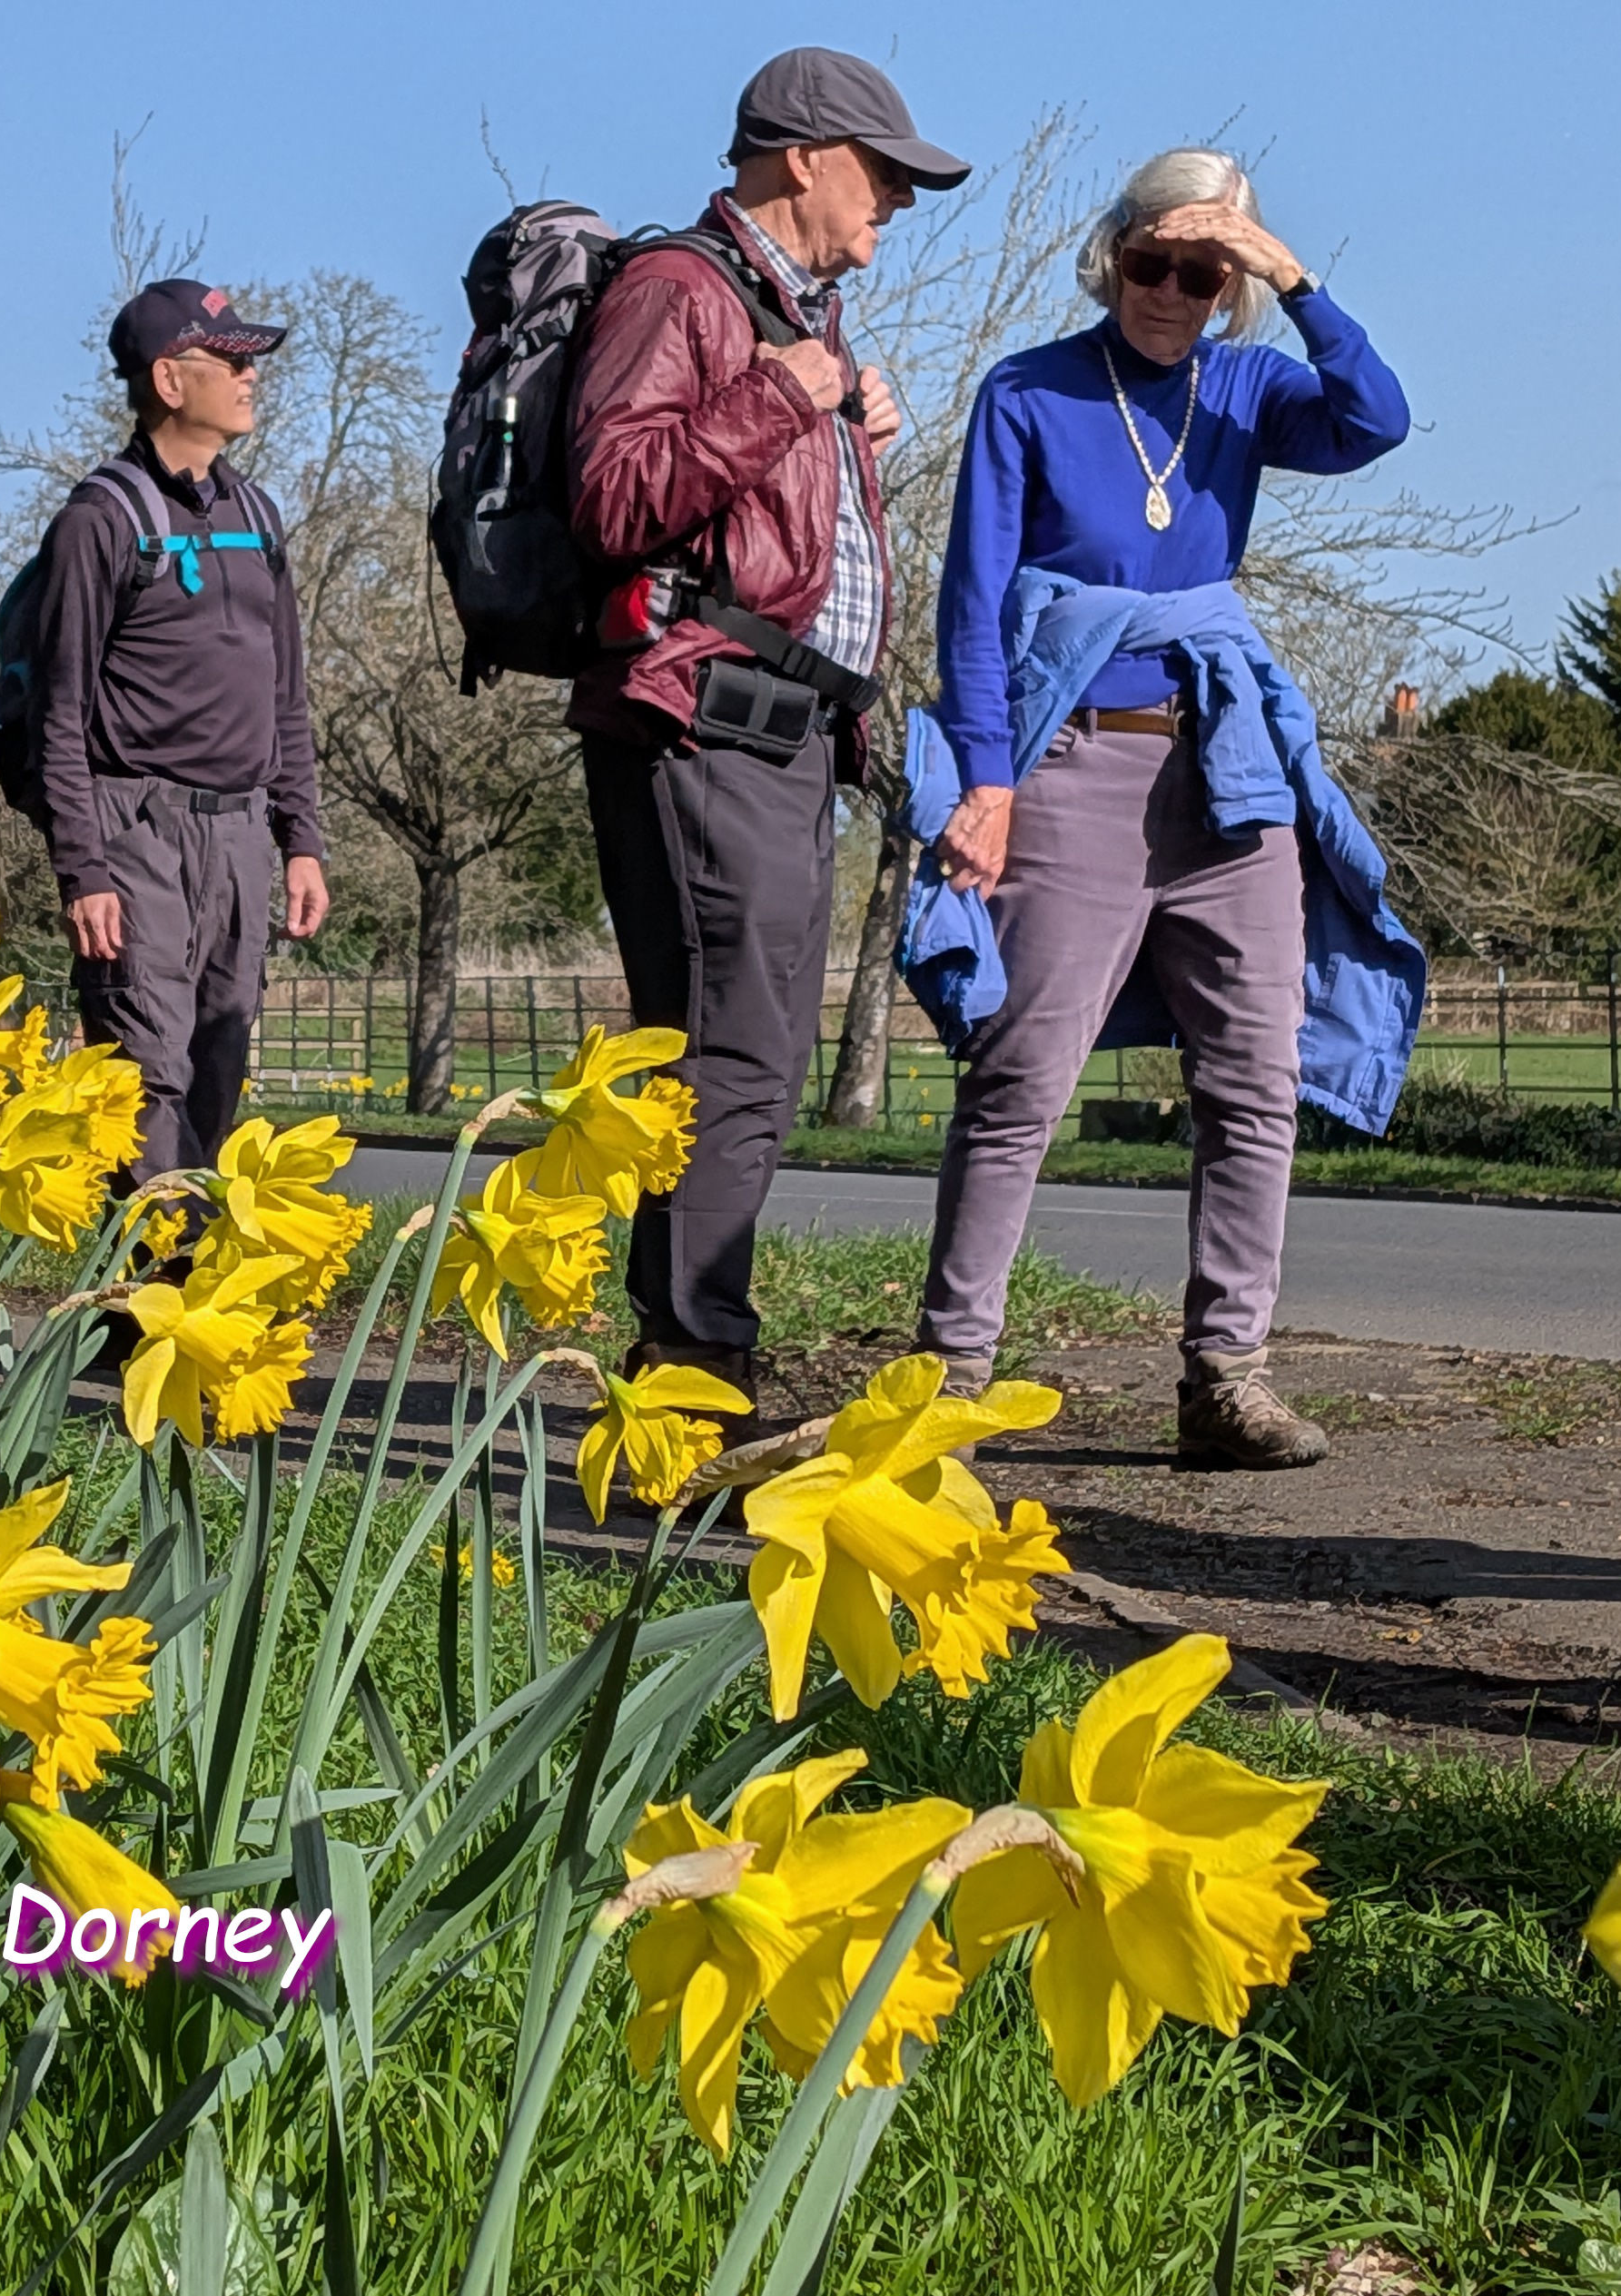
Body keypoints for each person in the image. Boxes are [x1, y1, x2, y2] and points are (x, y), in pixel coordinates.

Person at [908, 147, 1423, 1468]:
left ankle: (1226, 1377)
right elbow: (973, 609)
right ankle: (952, 1377)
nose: (1171, 291)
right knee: (1022, 1073)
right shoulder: (1029, 392)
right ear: (1112, 256)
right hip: (1075, 758)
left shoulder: (1247, 386)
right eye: (1152, 262)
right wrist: (988, 782)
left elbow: (1377, 419)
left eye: (1203, 272)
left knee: (1255, 1078)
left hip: (1225, 765)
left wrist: (1294, 278)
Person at [565, 47, 965, 1414]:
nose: (899, 202)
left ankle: (694, 1352)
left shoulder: (803, 321)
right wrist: (782, 398)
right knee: (720, 1048)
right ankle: (689, 1372)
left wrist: (848, 429)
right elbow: (614, 499)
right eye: (885, 173)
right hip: (699, 724)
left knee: (758, 1051)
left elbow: (773, 539)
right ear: (802, 156)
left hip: (793, 734)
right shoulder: (677, 289)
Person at [28, 276, 330, 1179]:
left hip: (240, 833)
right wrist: (83, 869)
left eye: (251, 359)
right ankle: (159, 1301)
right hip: (138, 836)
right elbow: (59, 715)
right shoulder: (100, 520)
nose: (250, 375)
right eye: (228, 359)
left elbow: (287, 697)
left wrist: (299, 838)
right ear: (168, 380)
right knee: (144, 1073)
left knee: (216, 1073)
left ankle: (183, 1296)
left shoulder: (259, 516)